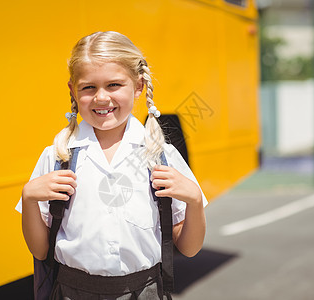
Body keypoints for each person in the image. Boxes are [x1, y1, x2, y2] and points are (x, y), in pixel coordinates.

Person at [16, 31, 207, 300]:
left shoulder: (160, 155)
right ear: (73, 90)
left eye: (114, 85)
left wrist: (195, 200)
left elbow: (188, 248)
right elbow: (40, 251)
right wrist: (28, 198)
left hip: (145, 292)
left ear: (139, 86)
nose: (101, 98)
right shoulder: (57, 157)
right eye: (89, 87)